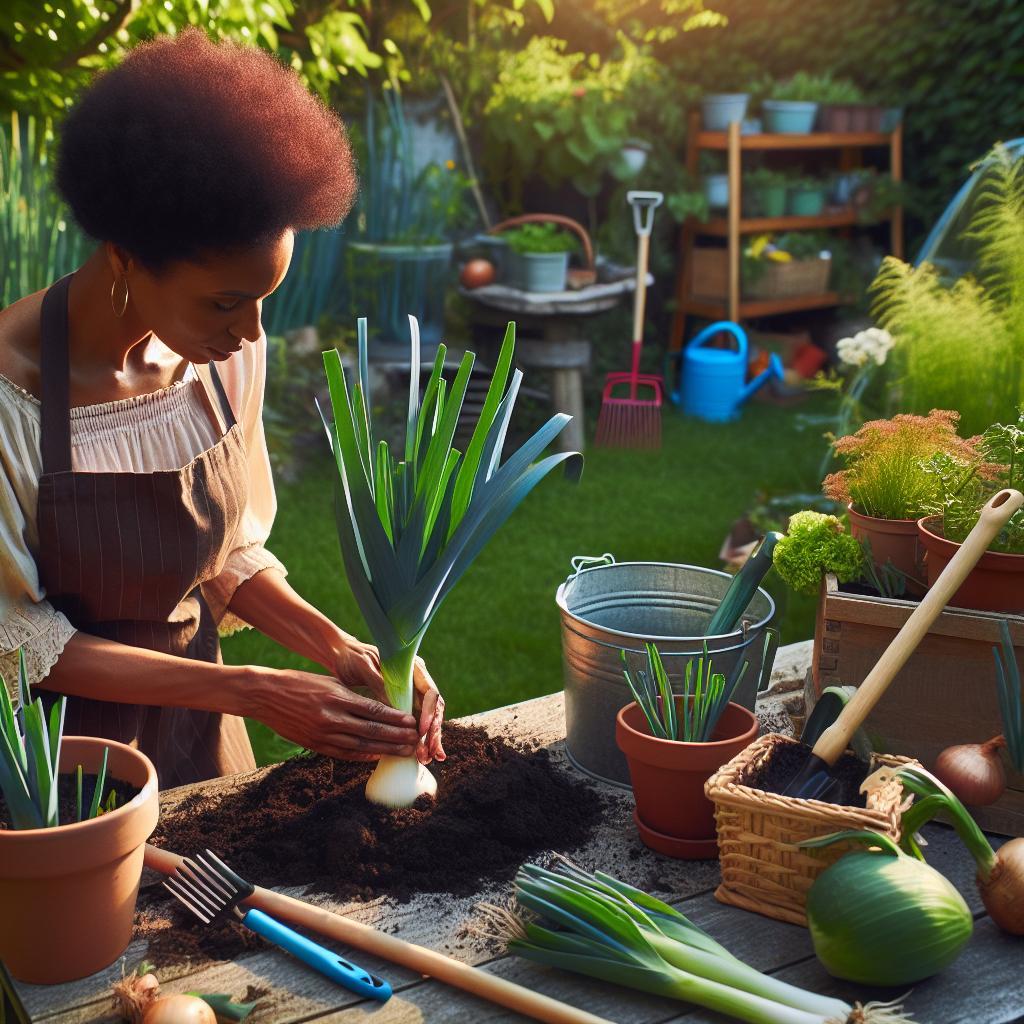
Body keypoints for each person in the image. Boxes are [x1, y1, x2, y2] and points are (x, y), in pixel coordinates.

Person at [0, 30, 445, 787]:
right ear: (126, 257)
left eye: (265, 301)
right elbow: (17, 642)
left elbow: (224, 553)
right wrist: (252, 688)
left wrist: (337, 645)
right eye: (228, 302)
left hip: (202, 744)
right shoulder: (13, 398)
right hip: (57, 774)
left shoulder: (221, 353)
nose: (251, 333)